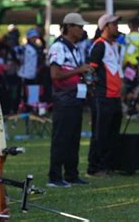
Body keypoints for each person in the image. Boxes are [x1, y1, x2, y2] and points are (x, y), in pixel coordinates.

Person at [47, 13, 91, 187]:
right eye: (79, 27)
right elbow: (55, 75)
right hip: (63, 99)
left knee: (73, 138)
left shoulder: (75, 47)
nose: (82, 30)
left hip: (75, 98)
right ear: (69, 26)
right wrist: (79, 70)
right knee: (61, 138)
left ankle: (72, 174)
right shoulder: (58, 47)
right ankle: (55, 176)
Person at [87, 14, 123, 177]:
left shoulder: (114, 45)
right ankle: (94, 167)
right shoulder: (99, 45)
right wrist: (94, 92)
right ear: (105, 27)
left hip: (115, 96)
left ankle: (107, 165)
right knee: (100, 133)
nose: (117, 27)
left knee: (112, 133)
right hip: (102, 96)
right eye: (114, 24)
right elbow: (90, 70)